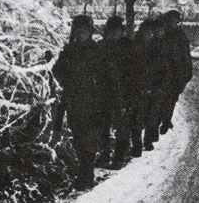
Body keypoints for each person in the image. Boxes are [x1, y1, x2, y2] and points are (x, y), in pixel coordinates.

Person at [52, 15, 107, 189]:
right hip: (74, 102)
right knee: (78, 139)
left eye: (84, 31)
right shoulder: (69, 51)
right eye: (78, 31)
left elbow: (108, 77)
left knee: (89, 139)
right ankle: (84, 172)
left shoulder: (98, 52)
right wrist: (65, 81)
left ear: (90, 32)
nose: (81, 34)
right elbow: (57, 71)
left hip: (94, 102)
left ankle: (87, 175)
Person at [100, 16, 138, 168]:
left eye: (117, 31)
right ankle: (104, 155)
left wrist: (131, 94)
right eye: (111, 31)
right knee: (103, 126)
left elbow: (135, 72)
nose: (114, 34)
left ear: (121, 32)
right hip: (103, 93)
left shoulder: (129, 47)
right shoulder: (101, 47)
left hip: (123, 92)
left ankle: (119, 157)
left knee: (122, 127)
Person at [159, 10, 193, 135]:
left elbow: (186, 55)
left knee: (172, 98)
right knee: (162, 98)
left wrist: (187, 73)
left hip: (177, 72)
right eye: (170, 21)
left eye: (175, 21)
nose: (172, 23)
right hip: (163, 71)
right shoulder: (162, 35)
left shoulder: (181, 36)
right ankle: (164, 119)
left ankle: (166, 119)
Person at [139, 17, 165, 150]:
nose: (149, 34)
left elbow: (164, 68)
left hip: (156, 85)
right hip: (141, 85)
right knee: (141, 114)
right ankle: (139, 141)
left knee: (153, 114)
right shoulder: (137, 46)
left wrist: (160, 86)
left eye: (151, 32)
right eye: (146, 31)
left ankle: (148, 140)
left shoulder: (159, 46)